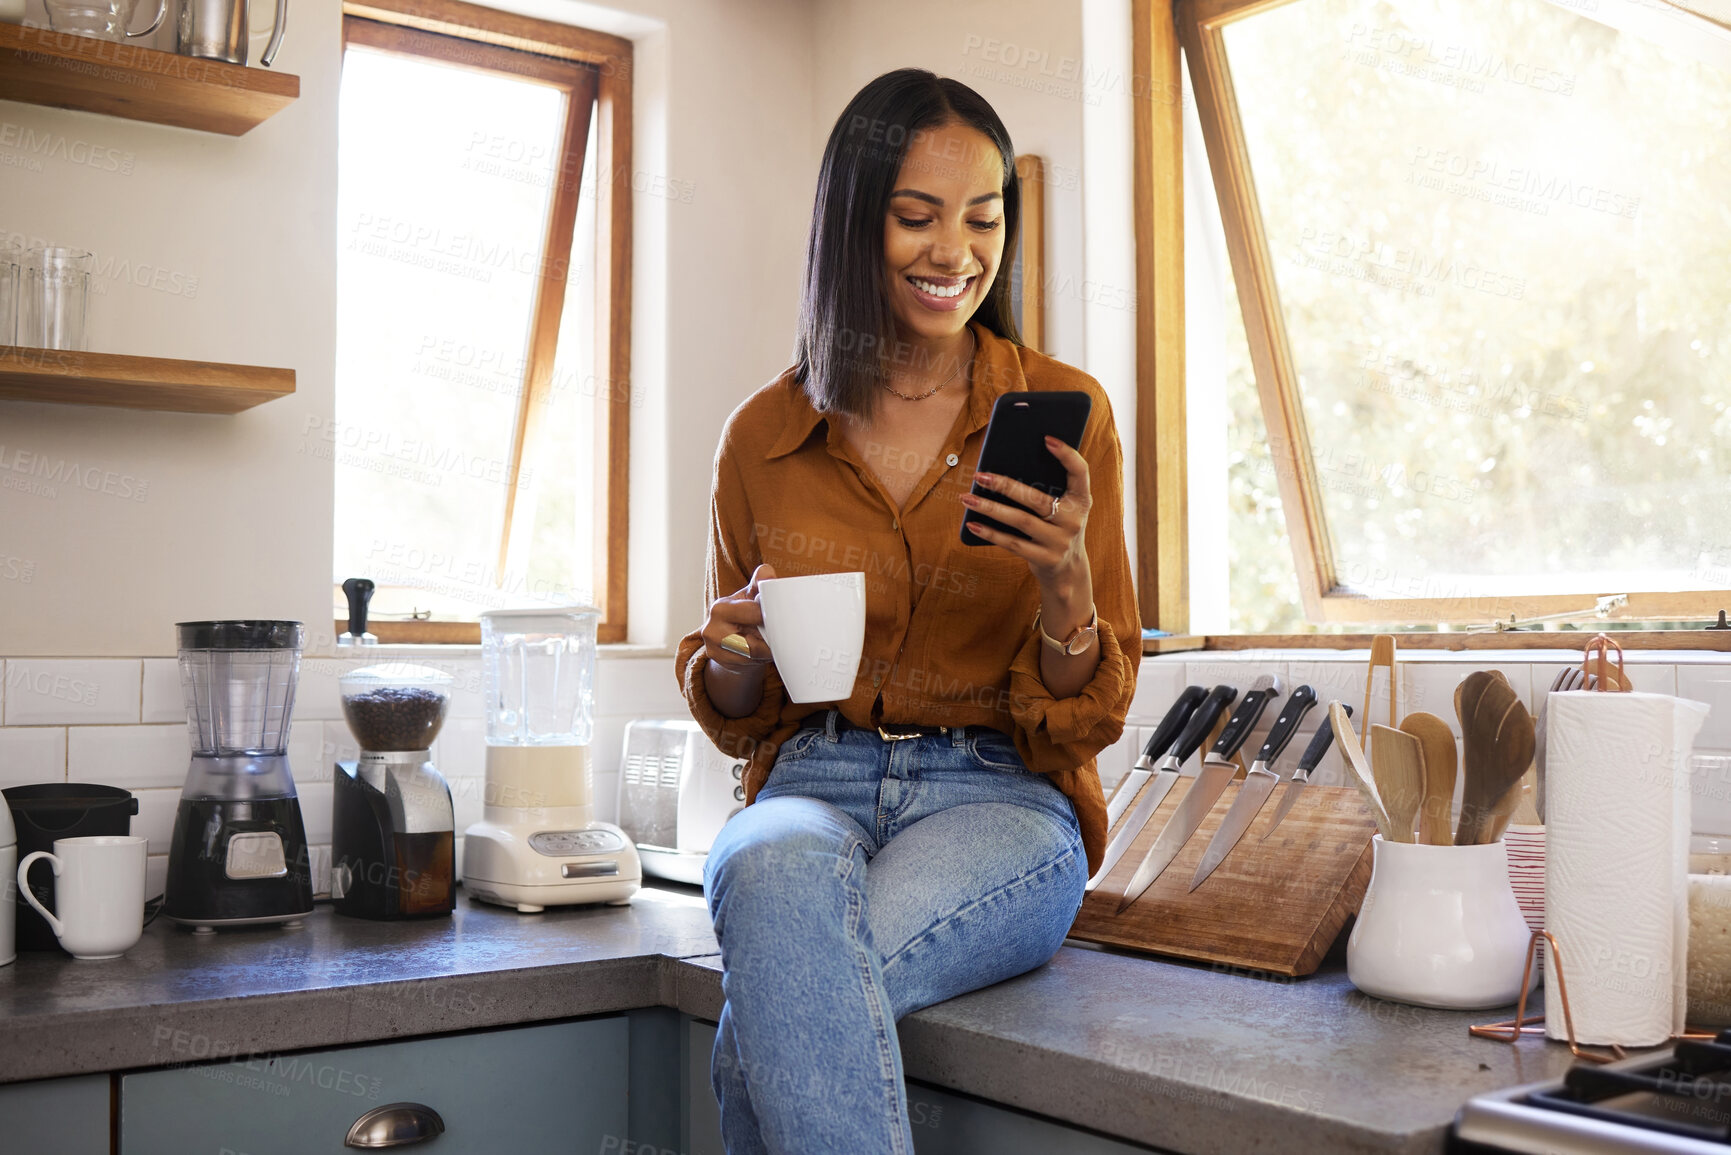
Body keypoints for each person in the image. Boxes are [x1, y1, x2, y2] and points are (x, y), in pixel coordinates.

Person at [673, 67, 1139, 1155]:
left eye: (983, 219)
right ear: (852, 225)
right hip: (810, 780)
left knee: (780, 1004)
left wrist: (1066, 586)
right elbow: (741, 703)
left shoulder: (1065, 418)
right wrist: (736, 649)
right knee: (767, 867)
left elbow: (1086, 716)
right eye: (916, 217)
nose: (955, 252)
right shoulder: (762, 434)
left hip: (1000, 802)